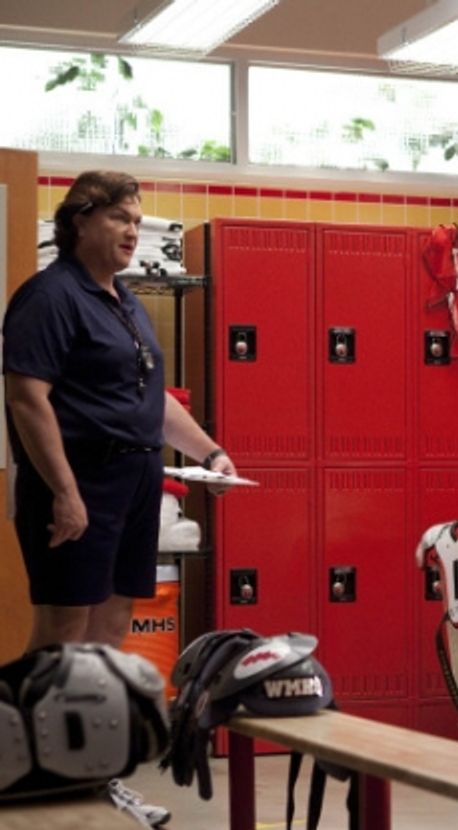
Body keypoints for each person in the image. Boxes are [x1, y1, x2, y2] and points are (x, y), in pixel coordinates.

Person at [3, 170, 237, 826]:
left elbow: (151, 401)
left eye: (137, 219)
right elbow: (27, 397)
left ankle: (95, 772)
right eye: (119, 218)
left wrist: (210, 452)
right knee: (64, 626)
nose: (133, 230)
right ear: (80, 221)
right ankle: (26, 768)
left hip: (135, 480)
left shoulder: (124, 301)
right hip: (78, 479)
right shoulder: (50, 296)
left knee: (112, 626)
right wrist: (65, 493)